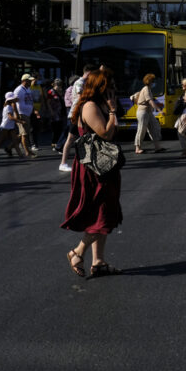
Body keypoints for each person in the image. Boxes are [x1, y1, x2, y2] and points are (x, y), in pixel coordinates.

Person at [62, 70, 123, 279]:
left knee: (104, 212)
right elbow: (105, 133)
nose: (113, 89)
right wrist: (113, 112)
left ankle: (98, 262)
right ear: (100, 87)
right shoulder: (90, 106)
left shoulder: (98, 105)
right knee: (103, 215)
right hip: (94, 169)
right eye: (109, 86)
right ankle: (77, 252)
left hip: (103, 166)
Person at [59, 65, 94, 173]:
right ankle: (63, 163)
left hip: (81, 114)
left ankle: (87, 162)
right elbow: (81, 97)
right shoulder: (80, 83)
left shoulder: (85, 83)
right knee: (70, 139)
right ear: (88, 73)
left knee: (85, 138)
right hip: (76, 114)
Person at [133, 73, 165, 154]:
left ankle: (157, 147)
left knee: (154, 127)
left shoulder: (148, 89)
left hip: (148, 112)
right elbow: (150, 101)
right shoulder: (146, 89)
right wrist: (159, 110)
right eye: (153, 81)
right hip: (143, 112)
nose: (155, 82)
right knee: (141, 129)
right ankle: (138, 148)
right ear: (149, 81)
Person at [0, 92, 24, 160]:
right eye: (13, 98)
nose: (15, 99)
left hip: (10, 126)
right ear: (10, 99)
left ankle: (21, 156)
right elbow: (10, 117)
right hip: (5, 126)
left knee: (15, 140)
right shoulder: (8, 107)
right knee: (1, 141)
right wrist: (20, 121)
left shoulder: (10, 106)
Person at [14, 73, 37, 159]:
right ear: (24, 81)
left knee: (23, 133)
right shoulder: (18, 90)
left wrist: (34, 110)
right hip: (21, 113)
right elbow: (14, 102)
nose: (30, 82)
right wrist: (17, 115)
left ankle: (9, 147)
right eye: (29, 81)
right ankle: (27, 151)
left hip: (27, 114)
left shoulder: (28, 89)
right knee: (24, 134)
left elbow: (30, 101)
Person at [45, 79, 66, 151]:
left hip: (60, 112)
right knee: (55, 128)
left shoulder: (61, 92)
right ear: (54, 85)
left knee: (60, 128)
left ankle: (58, 142)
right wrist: (51, 111)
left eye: (60, 85)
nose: (59, 87)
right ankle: (54, 143)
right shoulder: (51, 92)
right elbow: (48, 102)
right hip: (54, 112)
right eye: (57, 85)